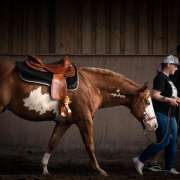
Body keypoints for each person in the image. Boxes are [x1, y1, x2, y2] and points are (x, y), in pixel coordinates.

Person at [133, 55, 180, 175]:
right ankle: (139, 159)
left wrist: (176, 99)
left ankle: (169, 168)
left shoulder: (168, 79)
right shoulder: (160, 78)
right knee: (164, 141)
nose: (176, 68)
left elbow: (168, 95)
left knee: (173, 141)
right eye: (175, 66)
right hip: (162, 114)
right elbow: (154, 95)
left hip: (170, 114)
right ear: (168, 65)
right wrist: (169, 100)